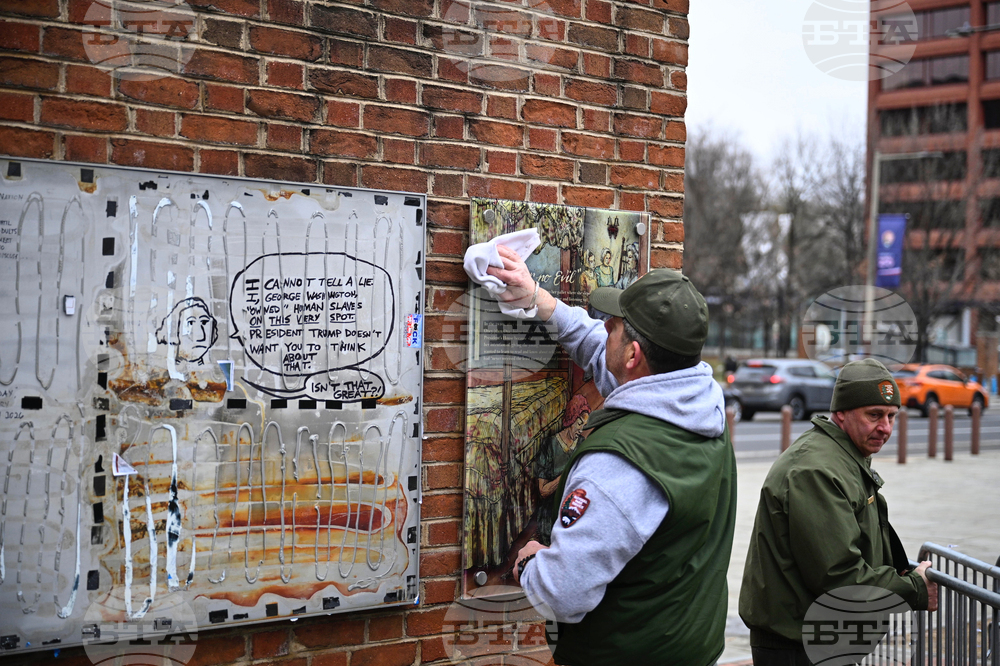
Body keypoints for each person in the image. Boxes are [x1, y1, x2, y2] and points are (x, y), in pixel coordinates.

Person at [485, 245, 736, 665]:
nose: (604, 329)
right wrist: (540, 301)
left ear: (634, 355)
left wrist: (529, 565)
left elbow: (562, 593)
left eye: (615, 327)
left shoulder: (618, 466)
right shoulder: (701, 406)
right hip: (688, 649)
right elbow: (604, 354)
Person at [739, 359, 939, 665]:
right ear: (842, 412)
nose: (885, 428)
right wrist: (913, 589)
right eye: (874, 415)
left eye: (892, 416)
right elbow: (839, 576)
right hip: (799, 644)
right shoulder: (816, 470)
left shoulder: (841, 455)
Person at [534, 394, 591, 545]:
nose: (581, 429)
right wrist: (566, 474)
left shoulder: (582, 444)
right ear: (571, 419)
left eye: (584, 425)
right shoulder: (550, 445)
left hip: (573, 509)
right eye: (579, 423)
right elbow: (543, 491)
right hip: (551, 513)